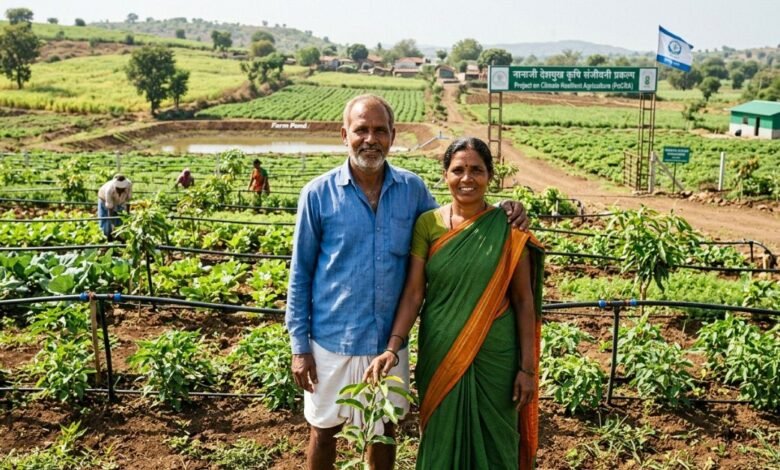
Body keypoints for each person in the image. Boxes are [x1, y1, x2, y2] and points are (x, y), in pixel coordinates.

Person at [286, 95, 530, 470]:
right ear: (344, 135)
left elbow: (457, 227)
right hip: (333, 338)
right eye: (361, 130)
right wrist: (300, 348)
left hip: (390, 341)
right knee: (324, 430)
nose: (371, 139)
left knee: (385, 429)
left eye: (379, 130)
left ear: (393, 135)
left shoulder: (412, 190)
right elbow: (300, 275)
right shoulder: (317, 194)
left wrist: (503, 211)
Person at [363, 137, 545, 470]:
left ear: (490, 175)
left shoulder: (507, 227)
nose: (467, 178)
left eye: (477, 170)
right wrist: (392, 347)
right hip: (441, 349)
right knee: (441, 438)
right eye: (458, 170)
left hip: (496, 355)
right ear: (445, 174)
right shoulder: (428, 224)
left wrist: (528, 369)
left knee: (497, 440)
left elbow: (523, 300)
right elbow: (414, 293)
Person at [97, 174, 132, 241]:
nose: (119, 191)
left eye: (122, 190)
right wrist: (112, 224)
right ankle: (107, 237)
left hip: (119, 201)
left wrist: (127, 217)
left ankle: (119, 236)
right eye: (118, 189)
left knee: (120, 219)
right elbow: (110, 208)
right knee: (106, 222)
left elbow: (128, 201)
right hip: (104, 199)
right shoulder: (109, 189)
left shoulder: (129, 185)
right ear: (115, 187)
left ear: (124, 188)